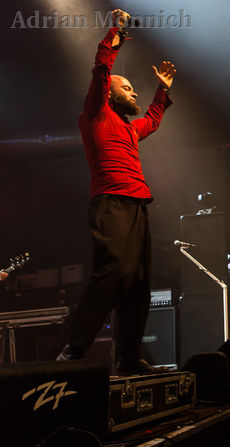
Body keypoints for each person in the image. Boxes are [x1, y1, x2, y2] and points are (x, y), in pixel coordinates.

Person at [56, 9, 176, 375]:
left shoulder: (127, 128)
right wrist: (116, 35)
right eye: (127, 88)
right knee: (114, 272)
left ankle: (127, 358)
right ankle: (74, 348)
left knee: (137, 283)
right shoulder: (96, 115)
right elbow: (100, 71)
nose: (133, 91)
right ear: (108, 93)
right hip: (111, 203)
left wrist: (162, 91)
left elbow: (151, 121)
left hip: (137, 204)